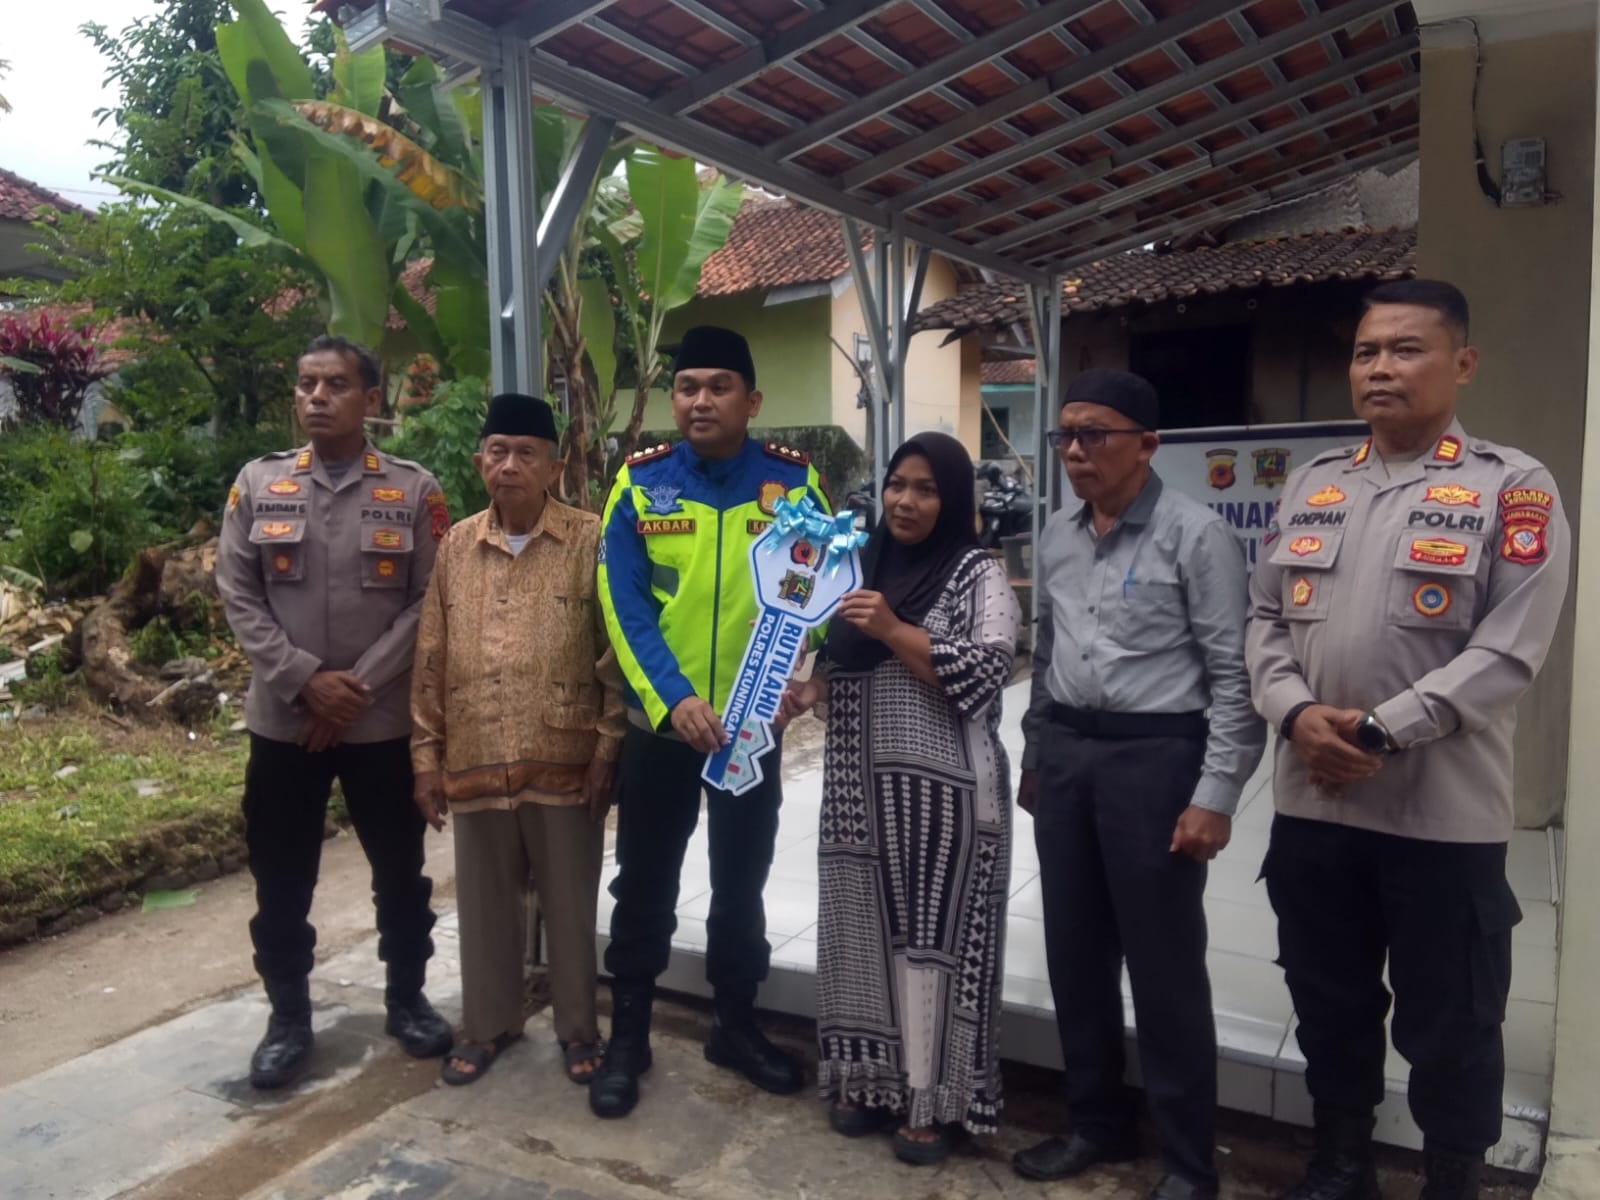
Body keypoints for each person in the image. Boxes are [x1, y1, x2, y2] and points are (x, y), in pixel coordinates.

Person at [1245, 279, 1569, 1200]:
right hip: (1315, 806)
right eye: (1365, 351)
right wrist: (1295, 715)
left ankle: (1451, 1181)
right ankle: (1341, 1163)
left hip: (1440, 821)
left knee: (1453, 1021)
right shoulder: (1314, 483)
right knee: (1328, 1000)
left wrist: (1380, 730)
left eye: (1406, 349)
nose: (1379, 367)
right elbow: (1264, 619)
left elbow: (1511, 648)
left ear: (1463, 364)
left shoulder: (1513, 486)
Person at [1014, 368, 1265, 1200]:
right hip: (1070, 756)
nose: (1075, 451)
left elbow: (1233, 679)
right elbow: (1046, 654)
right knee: (1074, 954)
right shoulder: (1057, 534)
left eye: (1095, 435)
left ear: (1148, 445)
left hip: (1156, 761)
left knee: (1164, 970)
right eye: (1066, 435)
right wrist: (1037, 754)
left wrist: (1214, 795)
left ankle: (1190, 1163)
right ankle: (1096, 1122)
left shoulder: (1197, 536)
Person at [590, 325, 831, 1119]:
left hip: (751, 732)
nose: (700, 400)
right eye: (687, 386)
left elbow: (822, 588)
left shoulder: (793, 486)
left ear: (751, 401)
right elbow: (622, 604)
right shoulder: (640, 485)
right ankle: (628, 1036)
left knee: (741, 880)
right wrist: (672, 698)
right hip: (664, 729)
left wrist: (797, 676)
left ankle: (735, 1024)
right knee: (644, 882)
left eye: (718, 386)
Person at [215, 334, 453, 1089]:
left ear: (371, 400)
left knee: (400, 873)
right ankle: (288, 1019)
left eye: (335, 385)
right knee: (281, 879)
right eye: (306, 384)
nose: (316, 397)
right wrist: (305, 681)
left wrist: (353, 690)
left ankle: (407, 999)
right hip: (284, 723)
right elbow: (239, 593)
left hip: (380, 725)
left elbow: (430, 600)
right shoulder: (259, 483)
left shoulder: (414, 491)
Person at [778, 432, 1020, 1166]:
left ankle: (932, 1101)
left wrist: (891, 627)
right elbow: (845, 665)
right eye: (896, 485)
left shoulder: (978, 571)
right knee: (858, 935)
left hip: (947, 802)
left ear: (954, 499)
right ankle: (870, 1082)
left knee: (934, 948)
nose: (905, 501)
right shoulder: (864, 564)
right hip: (858, 794)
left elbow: (985, 672)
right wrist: (811, 690)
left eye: (926, 489)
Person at [410, 393, 626, 1088]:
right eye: (497, 453)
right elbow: (432, 654)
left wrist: (608, 748)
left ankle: (578, 1029)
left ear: (554, 467)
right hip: (475, 751)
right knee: (483, 904)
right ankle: (489, 1023)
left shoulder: (590, 539)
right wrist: (425, 757)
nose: (509, 466)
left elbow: (615, 653)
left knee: (569, 903)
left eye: (526, 453)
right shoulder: (456, 545)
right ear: (480, 462)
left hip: (564, 755)